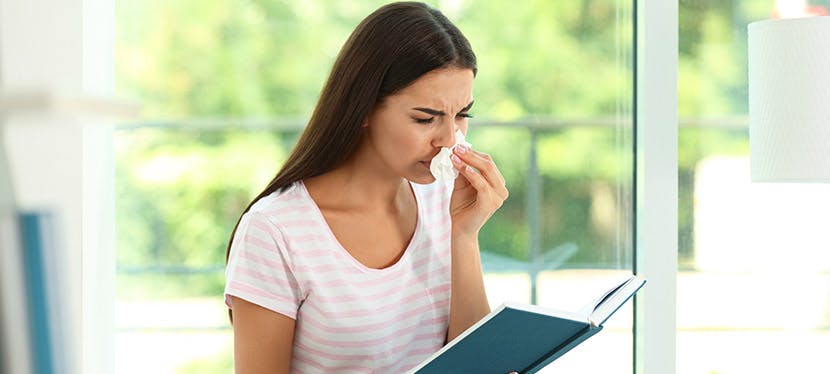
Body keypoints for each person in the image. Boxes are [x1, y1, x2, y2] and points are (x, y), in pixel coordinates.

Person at [224, 2, 508, 372]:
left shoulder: (443, 198)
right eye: (426, 118)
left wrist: (465, 235)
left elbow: (475, 365)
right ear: (363, 109)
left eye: (462, 115)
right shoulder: (274, 232)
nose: (449, 139)